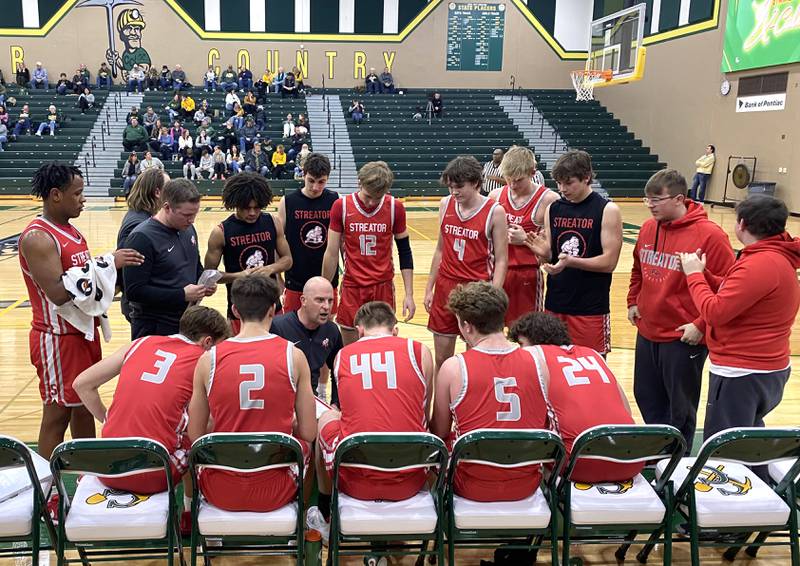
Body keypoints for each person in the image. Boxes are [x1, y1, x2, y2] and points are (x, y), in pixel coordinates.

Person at [19, 164, 143, 460]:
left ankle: (87, 472)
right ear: (55, 195)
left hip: (82, 333)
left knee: (85, 406)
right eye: (78, 193)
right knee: (57, 414)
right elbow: (59, 292)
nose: (83, 199)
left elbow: (83, 283)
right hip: (57, 338)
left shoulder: (70, 231)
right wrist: (109, 263)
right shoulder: (38, 238)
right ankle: (47, 487)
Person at [187, 274, 316, 512]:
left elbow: (195, 434)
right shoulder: (294, 356)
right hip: (276, 489)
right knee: (306, 445)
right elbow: (308, 431)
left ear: (235, 310)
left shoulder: (208, 360)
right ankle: (306, 519)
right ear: (273, 309)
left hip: (221, 490)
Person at [308, 301, 433, 540]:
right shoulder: (419, 351)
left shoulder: (343, 355)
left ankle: (325, 512)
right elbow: (424, 415)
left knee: (328, 416)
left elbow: (349, 412)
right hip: (410, 480)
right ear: (395, 331)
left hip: (356, 480)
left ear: (359, 331)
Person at [629, 169, 734, 452]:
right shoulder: (649, 227)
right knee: (646, 395)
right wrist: (632, 300)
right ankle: (658, 450)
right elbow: (638, 266)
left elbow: (728, 288)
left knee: (680, 407)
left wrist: (701, 324)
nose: (650, 205)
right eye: (646, 199)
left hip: (683, 336)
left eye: (656, 199)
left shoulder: (710, 235)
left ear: (679, 199)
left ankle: (678, 460)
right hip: (648, 329)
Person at [679, 195, 800, 441]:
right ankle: (760, 478)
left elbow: (715, 312)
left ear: (742, 224)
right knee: (750, 441)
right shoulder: (774, 256)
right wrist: (707, 276)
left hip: (743, 372)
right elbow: (739, 292)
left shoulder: (760, 263)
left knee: (727, 447)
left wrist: (693, 276)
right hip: (765, 368)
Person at [73, 306, 229, 494]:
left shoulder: (141, 342)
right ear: (208, 341)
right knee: (194, 437)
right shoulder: (205, 360)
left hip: (108, 466)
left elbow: (81, 384)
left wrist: (108, 418)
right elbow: (207, 425)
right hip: (153, 472)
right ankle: (189, 511)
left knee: (181, 423)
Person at [431, 282, 549, 501]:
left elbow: (439, 433)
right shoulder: (539, 360)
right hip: (526, 482)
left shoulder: (453, 367)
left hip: (472, 485)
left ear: (467, 326)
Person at [509, 312, 643, 482]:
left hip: (580, 464)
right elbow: (627, 409)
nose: (519, 349)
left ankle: (554, 495)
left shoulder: (533, 355)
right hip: (632, 459)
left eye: (521, 343)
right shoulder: (593, 354)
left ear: (535, 340)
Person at [525, 150, 622, 355]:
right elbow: (550, 256)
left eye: (569, 183)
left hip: (590, 307)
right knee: (552, 366)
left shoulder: (607, 210)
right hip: (555, 302)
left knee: (592, 369)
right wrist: (543, 254)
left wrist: (571, 261)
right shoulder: (554, 208)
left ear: (586, 177)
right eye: (559, 183)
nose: (562, 189)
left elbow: (609, 262)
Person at [425, 156, 508, 372]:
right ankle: (445, 405)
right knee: (442, 358)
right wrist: (429, 288)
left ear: (476, 183)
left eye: (459, 186)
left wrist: (493, 295)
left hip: (477, 288)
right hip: (446, 286)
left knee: (477, 358)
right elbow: (440, 250)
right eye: (451, 187)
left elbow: (501, 259)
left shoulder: (495, 211)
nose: (454, 192)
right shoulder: (446, 204)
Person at [322, 161, 415, 345]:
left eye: (377, 198)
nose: (372, 202)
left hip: (383, 286)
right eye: (368, 196)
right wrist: (326, 290)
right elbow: (331, 252)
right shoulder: (341, 206)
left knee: (382, 347)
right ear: (359, 183)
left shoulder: (395, 208)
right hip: (352, 285)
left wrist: (409, 294)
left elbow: (404, 251)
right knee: (349, 349)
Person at [124, 179, 216, 339]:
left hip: (185, 322)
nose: (192, 220)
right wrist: (181, 295)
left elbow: (194, 265)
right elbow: (134, 291)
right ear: (167, 207)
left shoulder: (188, 228)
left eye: (195, 214)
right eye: (186, 215)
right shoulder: (141, 238)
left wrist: (204, 285)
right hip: (154, 328)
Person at [204, 173, 292, 332]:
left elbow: (287, 260)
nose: (252, 213)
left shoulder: (272, 222)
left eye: (257, 207)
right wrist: (239, 276)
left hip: (271, 304)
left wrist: (270, 268)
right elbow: (209, 275)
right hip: (240, 308)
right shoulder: (221, 232)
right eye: (246, 208)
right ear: (235, 203)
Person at [490, 146, 559, 326]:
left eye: (518, 180)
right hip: (497, 272)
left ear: (532, 172)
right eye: (508, 179)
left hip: (527, 274)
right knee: (492, 330)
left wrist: (526, 241)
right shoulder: (495, 196)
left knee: (527, 332)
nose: (512, 185)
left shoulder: (549, 199)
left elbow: (552, 251)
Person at [278, 153, 340, 314]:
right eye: (311, 180)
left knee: (326, 328)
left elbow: (343, 242)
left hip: (327, 279)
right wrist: (277, 278)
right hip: (296, 280)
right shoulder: (288, 202)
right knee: (292, 329)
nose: (315, 187)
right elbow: (277, 242)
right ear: (303, 175)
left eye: (321, 182)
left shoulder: (335, 200)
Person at [271, 277, 343, 401]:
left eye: (330, 301)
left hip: (311, 401)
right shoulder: (277, 327)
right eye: (320, 300)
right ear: (303, 300)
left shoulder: (332, 331)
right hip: (280, 402)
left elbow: (340, 371)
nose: (326, 306)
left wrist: (335, 404)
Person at [117, 169, 169, 322]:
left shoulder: (142, 216)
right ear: (157, 192)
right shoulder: (138, 224)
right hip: (142, 309)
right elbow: (130, 270)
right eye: (169, 186)